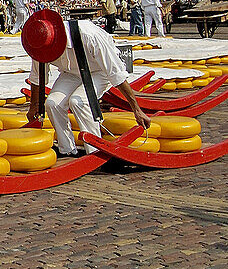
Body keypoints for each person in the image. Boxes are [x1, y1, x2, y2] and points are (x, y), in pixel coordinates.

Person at [23, 9, 150, 158]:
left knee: (79, 102)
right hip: (71, 73)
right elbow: (38, 78)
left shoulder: (89, 35)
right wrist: (34, 107)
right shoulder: (39, 42)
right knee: (52, 103)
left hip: (99, 71)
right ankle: (67, 150)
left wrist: (136, 109)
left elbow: (115, 73)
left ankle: (95, 152)